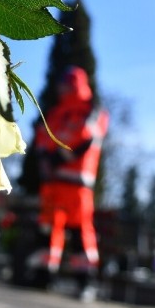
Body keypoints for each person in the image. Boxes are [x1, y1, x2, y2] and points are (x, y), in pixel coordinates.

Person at [34, 66, 109, 294]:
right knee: (48, 229)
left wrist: (55, 157)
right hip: (53, 184)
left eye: (64, 83)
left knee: (80, 233)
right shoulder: (56, 112)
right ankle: (44, 277)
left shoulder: (92, 111)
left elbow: (85, 138)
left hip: (78, 185)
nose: (59, 88)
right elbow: (42, 138)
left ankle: (85, 283)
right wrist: (44, 157)